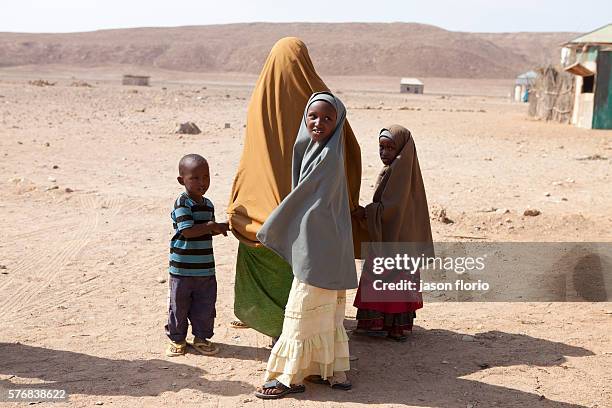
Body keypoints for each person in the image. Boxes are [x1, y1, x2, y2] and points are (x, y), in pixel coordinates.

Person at [227, 37, 362, 340]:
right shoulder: (316, 97)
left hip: (259, 201)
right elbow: (348, 147)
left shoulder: (259, 99)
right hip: (307, 209)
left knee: (264, 242)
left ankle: (268, 319)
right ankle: (299, 329)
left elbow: (252, 152)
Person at [254, 92, 357, 399]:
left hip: (319, 247)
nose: (318, 123)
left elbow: (306, 202)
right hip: (324, 245)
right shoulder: (315, 149)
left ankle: (291, 377)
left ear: (338, 122)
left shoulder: (328, 157)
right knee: (324, 312)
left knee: (302, 307)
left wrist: (271, 227)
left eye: (327, 118)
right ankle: (330, 371)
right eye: (313, 116)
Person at [352, 126, 434, 341]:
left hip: (394, 240)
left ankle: (383, 325)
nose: (385, 152)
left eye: (390, 147)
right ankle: (392, 326)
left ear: (402, 149)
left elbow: (390, 210)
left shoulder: (398, 172)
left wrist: (364, 212)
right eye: (381, 147)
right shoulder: (401, 170)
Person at [165, 154, 229, 357]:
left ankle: (201, 338)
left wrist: (219, 228)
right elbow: (188, 231)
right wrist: (211, 226)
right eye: (195, 178)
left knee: (205, 305)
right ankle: (177, 339)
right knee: (179, 305)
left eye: (206, 177)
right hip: (182, 268)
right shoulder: (182, 203)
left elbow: (206, 230)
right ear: (181, 180)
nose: (202, 182)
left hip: (205, 268)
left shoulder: (208, 204)